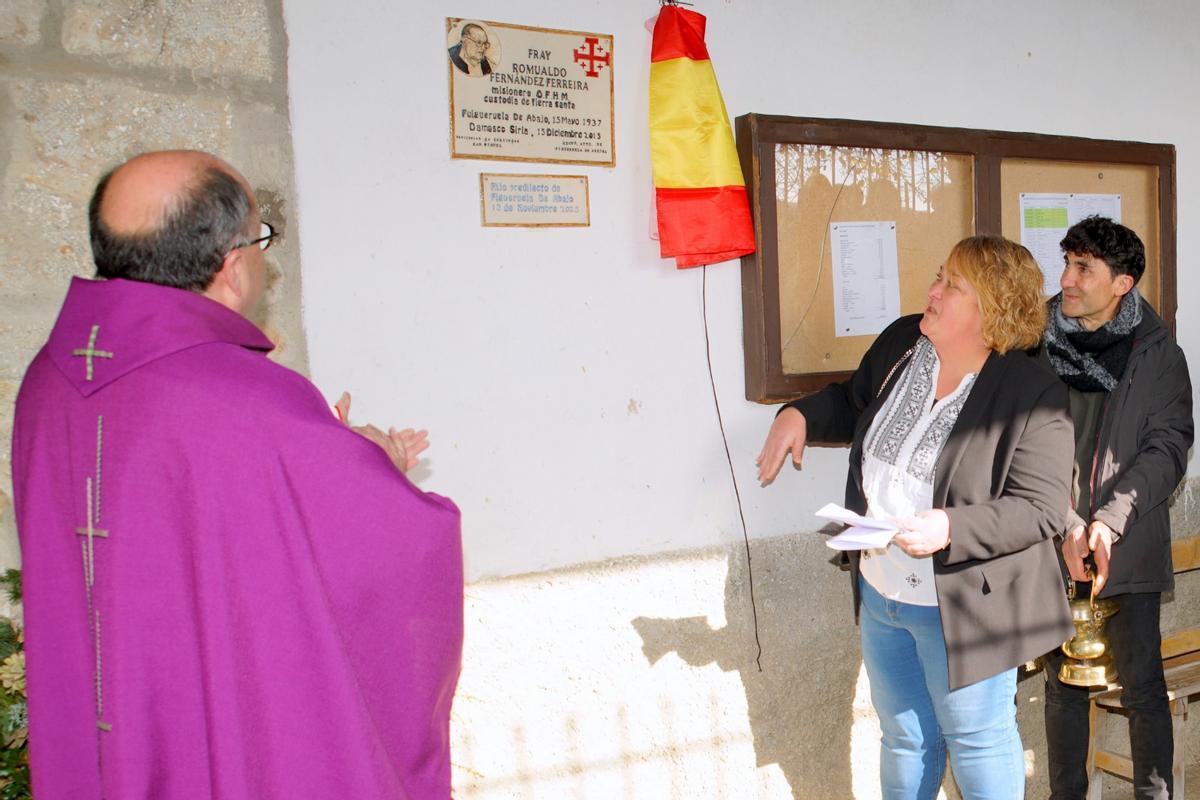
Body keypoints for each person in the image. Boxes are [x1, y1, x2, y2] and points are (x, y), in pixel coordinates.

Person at [11, 150, 464, 799]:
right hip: (214, 742)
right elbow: (390, 555)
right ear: (231, 264)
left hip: (110, 716)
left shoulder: (48, 380)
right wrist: (372, 464)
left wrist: (329, 459)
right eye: (260, 240)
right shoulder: (249, 398)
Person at [757, 235, 1075, 799]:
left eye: (953, 285)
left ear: (993, 307)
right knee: (904, 739)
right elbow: (853, 400)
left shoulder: (1033, 392)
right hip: (883, 593)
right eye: (939, 275)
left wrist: (950, 528)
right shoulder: (904, 343)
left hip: (965, 604)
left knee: (976, 742)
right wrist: (799, 415)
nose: (933, 290)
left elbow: (1041, 507)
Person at [1042, 216, 1193, 800]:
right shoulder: (1039, 341)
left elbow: (1168, 446)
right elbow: (1021, 446)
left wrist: (1108, 520)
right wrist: (1065, 522)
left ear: (1122, 284)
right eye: (1068, 263)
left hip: (1123, 545)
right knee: (1062, 688)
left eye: (1084, 268)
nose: (1067, 279)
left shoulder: (1157, 353)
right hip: (1056, 539)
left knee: (1143, 691)